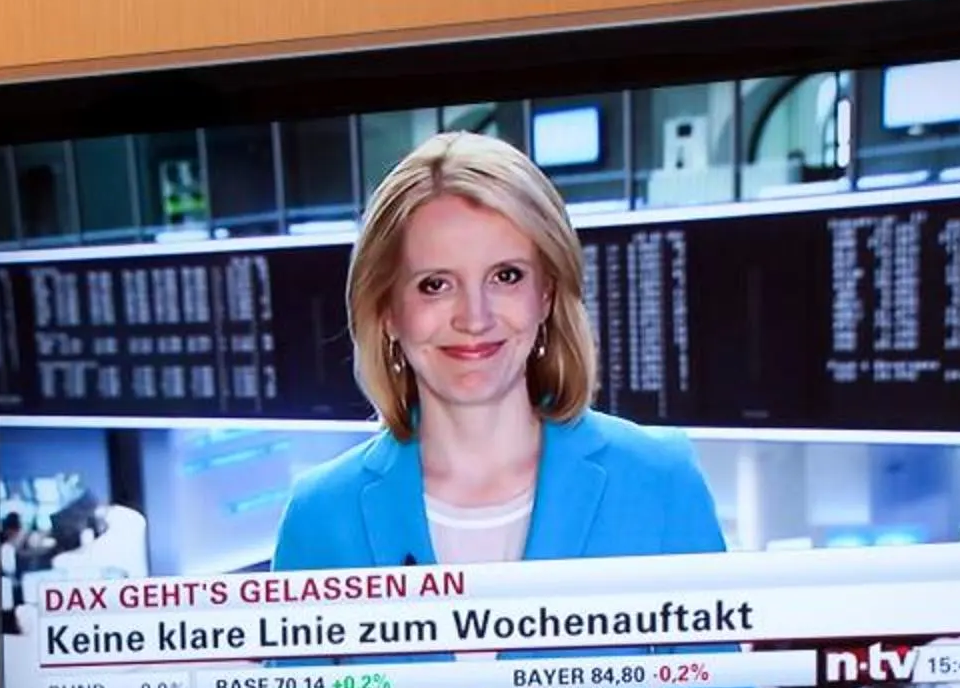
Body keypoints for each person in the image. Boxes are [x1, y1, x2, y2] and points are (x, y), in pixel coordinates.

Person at [271, 132, 724, 572]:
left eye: (506, 276)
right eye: (435, 284)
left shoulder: (660, 480)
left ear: (546, 293)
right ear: (387, 310)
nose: (475, 318)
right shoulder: (320, 517)